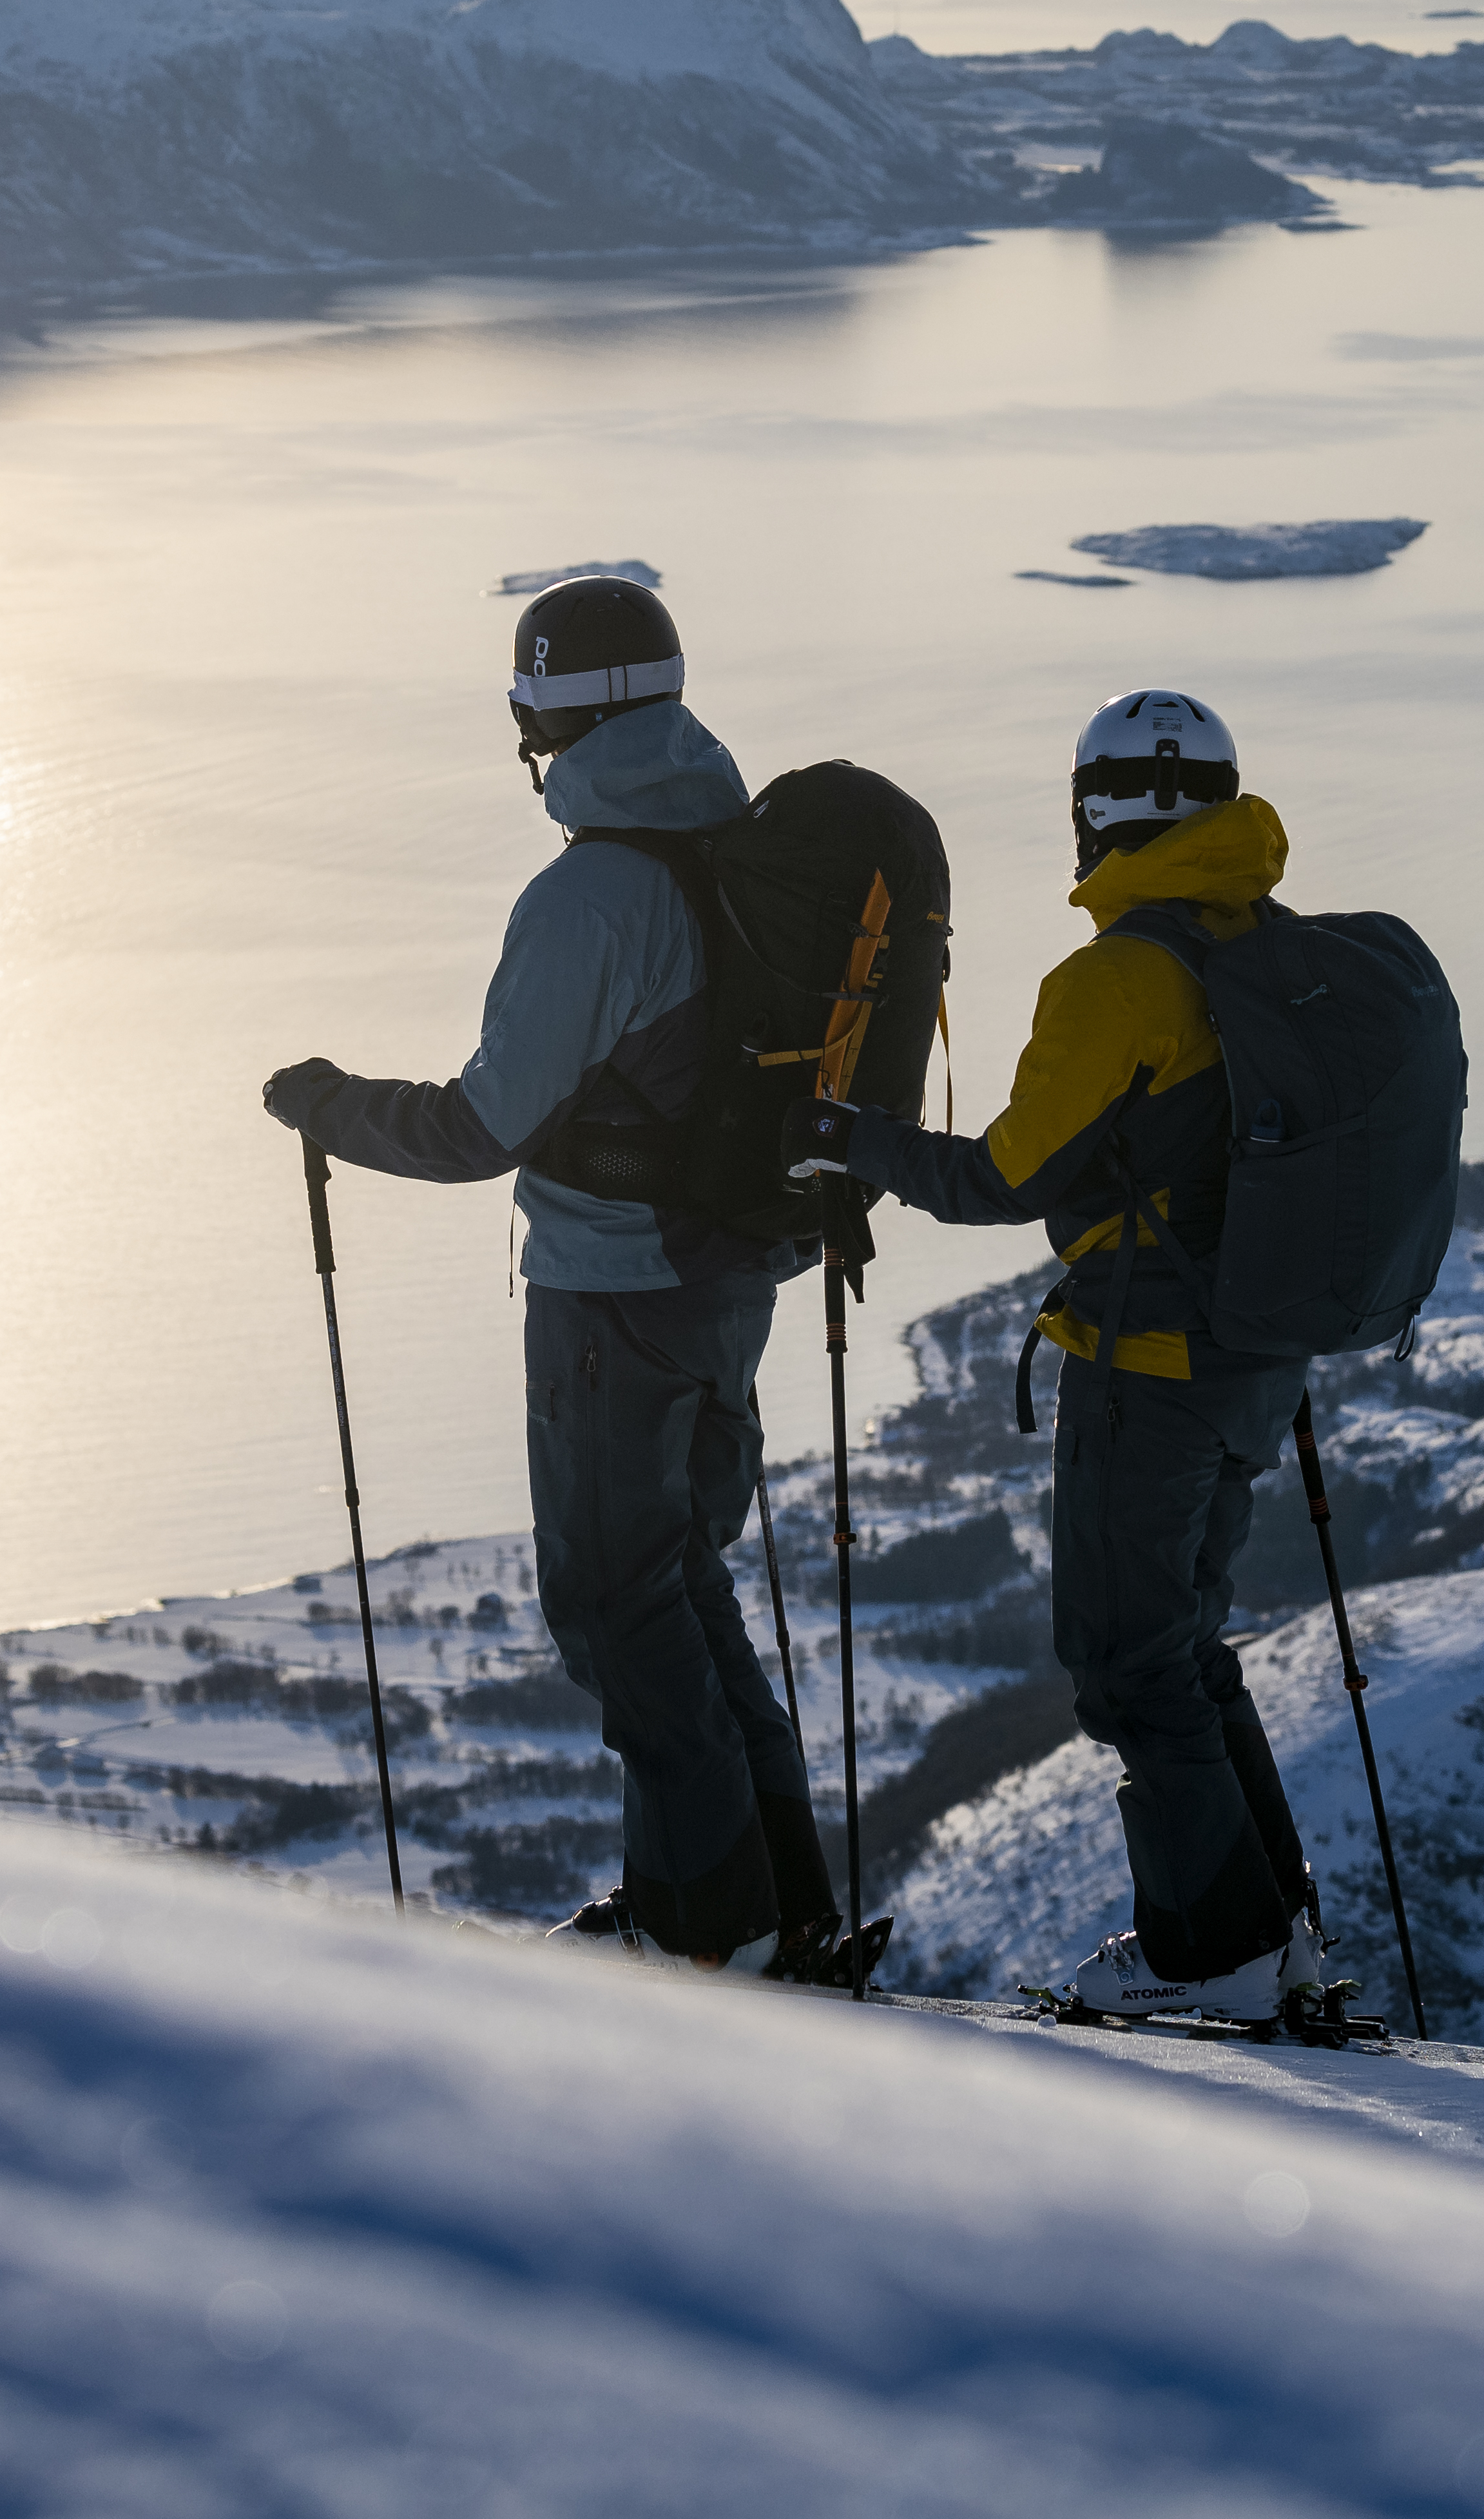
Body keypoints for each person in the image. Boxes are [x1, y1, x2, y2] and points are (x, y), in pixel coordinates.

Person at [257, 576, 839, 1976]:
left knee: (616, 1607)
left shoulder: (592, 896)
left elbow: (480, 1128)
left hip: (614, 1293)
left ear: (550, 719)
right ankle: (769, 1901)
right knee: (680, 1584)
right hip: (730, 1277)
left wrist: (326, 1105)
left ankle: (709, 1928)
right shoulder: (738, 850)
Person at [791, 686, 1327, 2022]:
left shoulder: (1117, 978)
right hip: (1257, 1362)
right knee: (1185, 1646)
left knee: (1127, 1661)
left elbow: (1003, 1178)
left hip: (1150, 1369)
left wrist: (853, 1138)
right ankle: (1271, 1932)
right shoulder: (1271, 945)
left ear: (1095, 815)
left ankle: (1216, 1953)